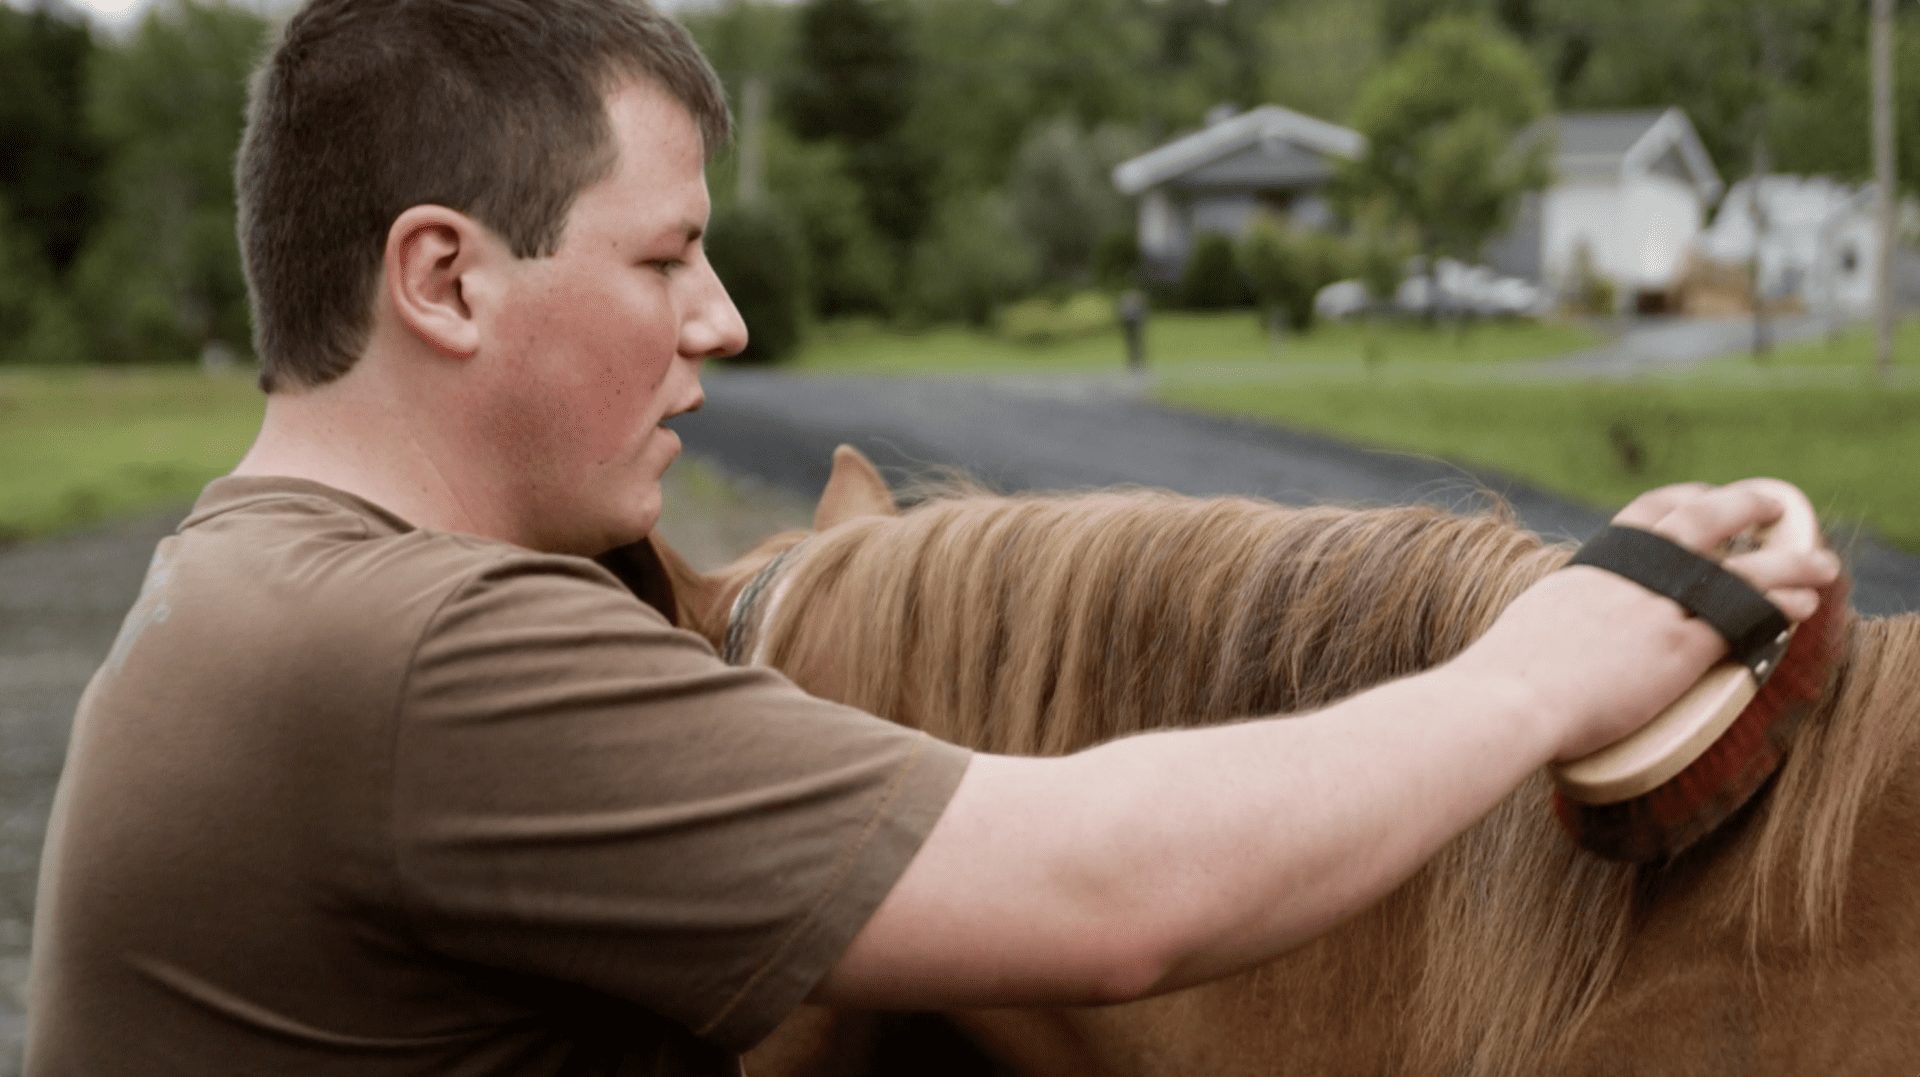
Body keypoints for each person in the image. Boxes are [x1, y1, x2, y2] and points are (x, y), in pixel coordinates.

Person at [26, 1, 1840, 1073]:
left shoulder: (254, 582)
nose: (721, 319)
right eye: (662, 257)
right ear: (444, 278)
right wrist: (1543, 663)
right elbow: (1107, 900)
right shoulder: (414, 653)